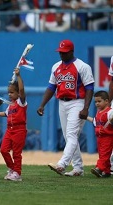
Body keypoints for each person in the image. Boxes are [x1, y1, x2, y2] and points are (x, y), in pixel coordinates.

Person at [37, 39, 94, 176]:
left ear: (72, 51)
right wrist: (42, 104)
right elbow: (51, 87)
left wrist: (86, 107)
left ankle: (62, 164)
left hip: (77, 102)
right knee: (68, 136)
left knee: (71, 134)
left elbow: (89, 88)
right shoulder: (56, 66)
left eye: (64, 52)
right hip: (62, 102)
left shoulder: (82, 66)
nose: (62, 54)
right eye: (60, 52)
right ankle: (78, 168)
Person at [0, 67, 27, 181]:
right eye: (8, 92)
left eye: (12, 92)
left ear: (18, 93)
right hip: (10, 130)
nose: (9, 94)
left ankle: (17, 173)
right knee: (3, 150)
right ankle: (12, 168)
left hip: (19, 130)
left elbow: (22, 90)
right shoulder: (11, 104)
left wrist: (18, 76)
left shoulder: (21, 102)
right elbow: (5, 114)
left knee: (17, 153)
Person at [85, 91, 112, 178]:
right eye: (95, 102)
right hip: (100, 138)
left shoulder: (109, 112)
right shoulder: (98, 112)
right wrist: (86, 117)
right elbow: (95, 122)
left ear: (106, 101)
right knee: (102, 153)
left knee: (104, 154)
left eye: (99, 101)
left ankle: (99, 168)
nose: (97, 103)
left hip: (108, 137)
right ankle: (107, 171)